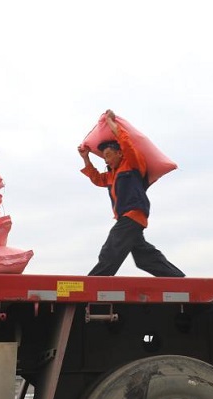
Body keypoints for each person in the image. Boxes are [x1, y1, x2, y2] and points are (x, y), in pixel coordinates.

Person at [78, 110, 185, 277]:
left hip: (133, 214)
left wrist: (112, 124)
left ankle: (94, 283)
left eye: (108, 155)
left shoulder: (132, 163)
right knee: (144, 257)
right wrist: (86, 158)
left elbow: (126, 143)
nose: (105, 160)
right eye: (104, 157)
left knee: (111, 249)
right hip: (128, 218)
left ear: (119, 153)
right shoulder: (111, 175)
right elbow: (97, 179)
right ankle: (178, 280)